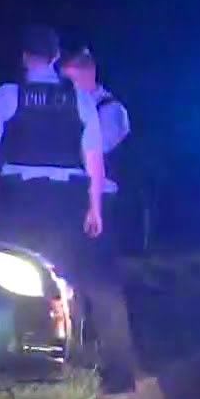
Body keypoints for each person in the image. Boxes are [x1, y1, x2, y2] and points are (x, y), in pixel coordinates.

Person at [0, 26, 138, 394]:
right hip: (68, 199)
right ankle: (121, 372)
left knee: (15, 280)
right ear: (55, 57)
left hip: (19, 199)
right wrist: (94, 206)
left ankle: (17, 365)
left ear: (24, 58)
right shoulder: (79, 98)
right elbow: (93, 158)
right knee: (96, 282)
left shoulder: (7, 95)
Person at [60, 47, 144, 253]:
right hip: (71, 195)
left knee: (95, 263)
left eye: (70, 80)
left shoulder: (110, 110)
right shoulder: (69, 105)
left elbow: (95, 152)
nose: (64, 87)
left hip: (102, 198)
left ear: (89, 73)